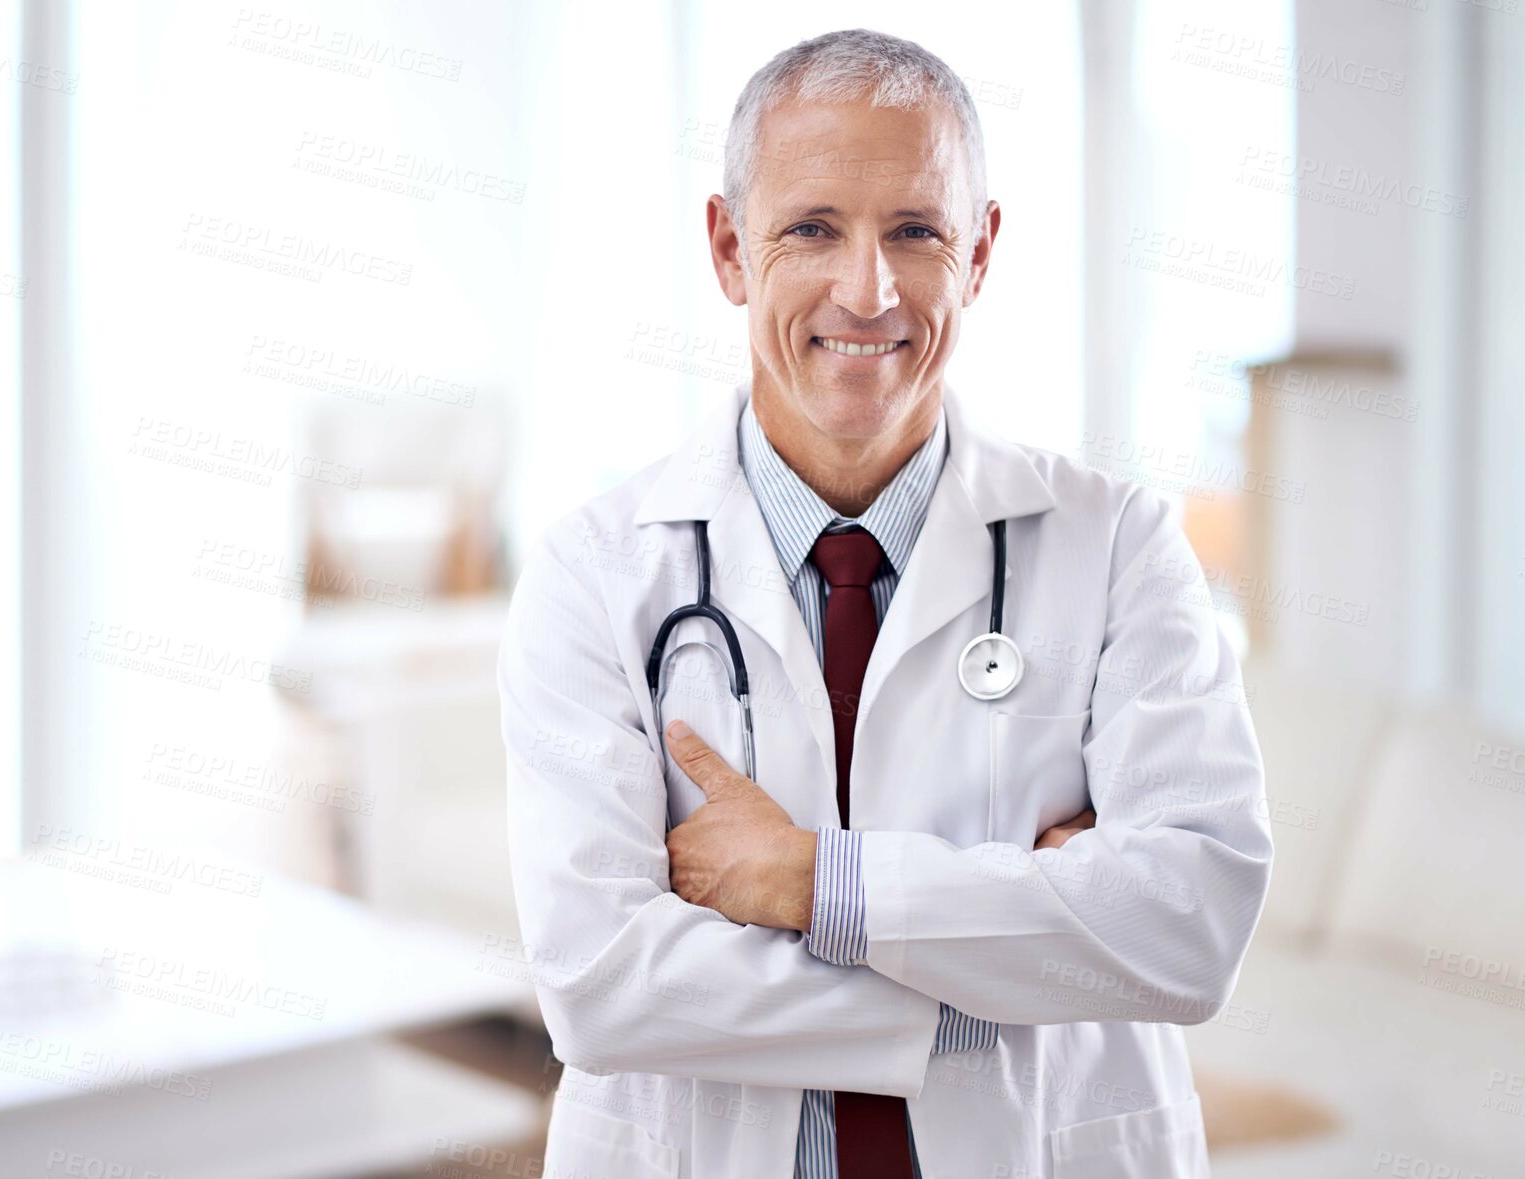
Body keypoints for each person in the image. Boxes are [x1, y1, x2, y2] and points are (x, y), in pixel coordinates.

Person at [499, 28, 1271, 1178]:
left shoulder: (1117, 547)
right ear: (729, 249)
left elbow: (1190, 925)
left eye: (916, 230)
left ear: (981, 252)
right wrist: (999, 977)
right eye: (812, 228)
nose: (869, 290)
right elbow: (603, 985)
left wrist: (816, 882)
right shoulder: (595, 574)